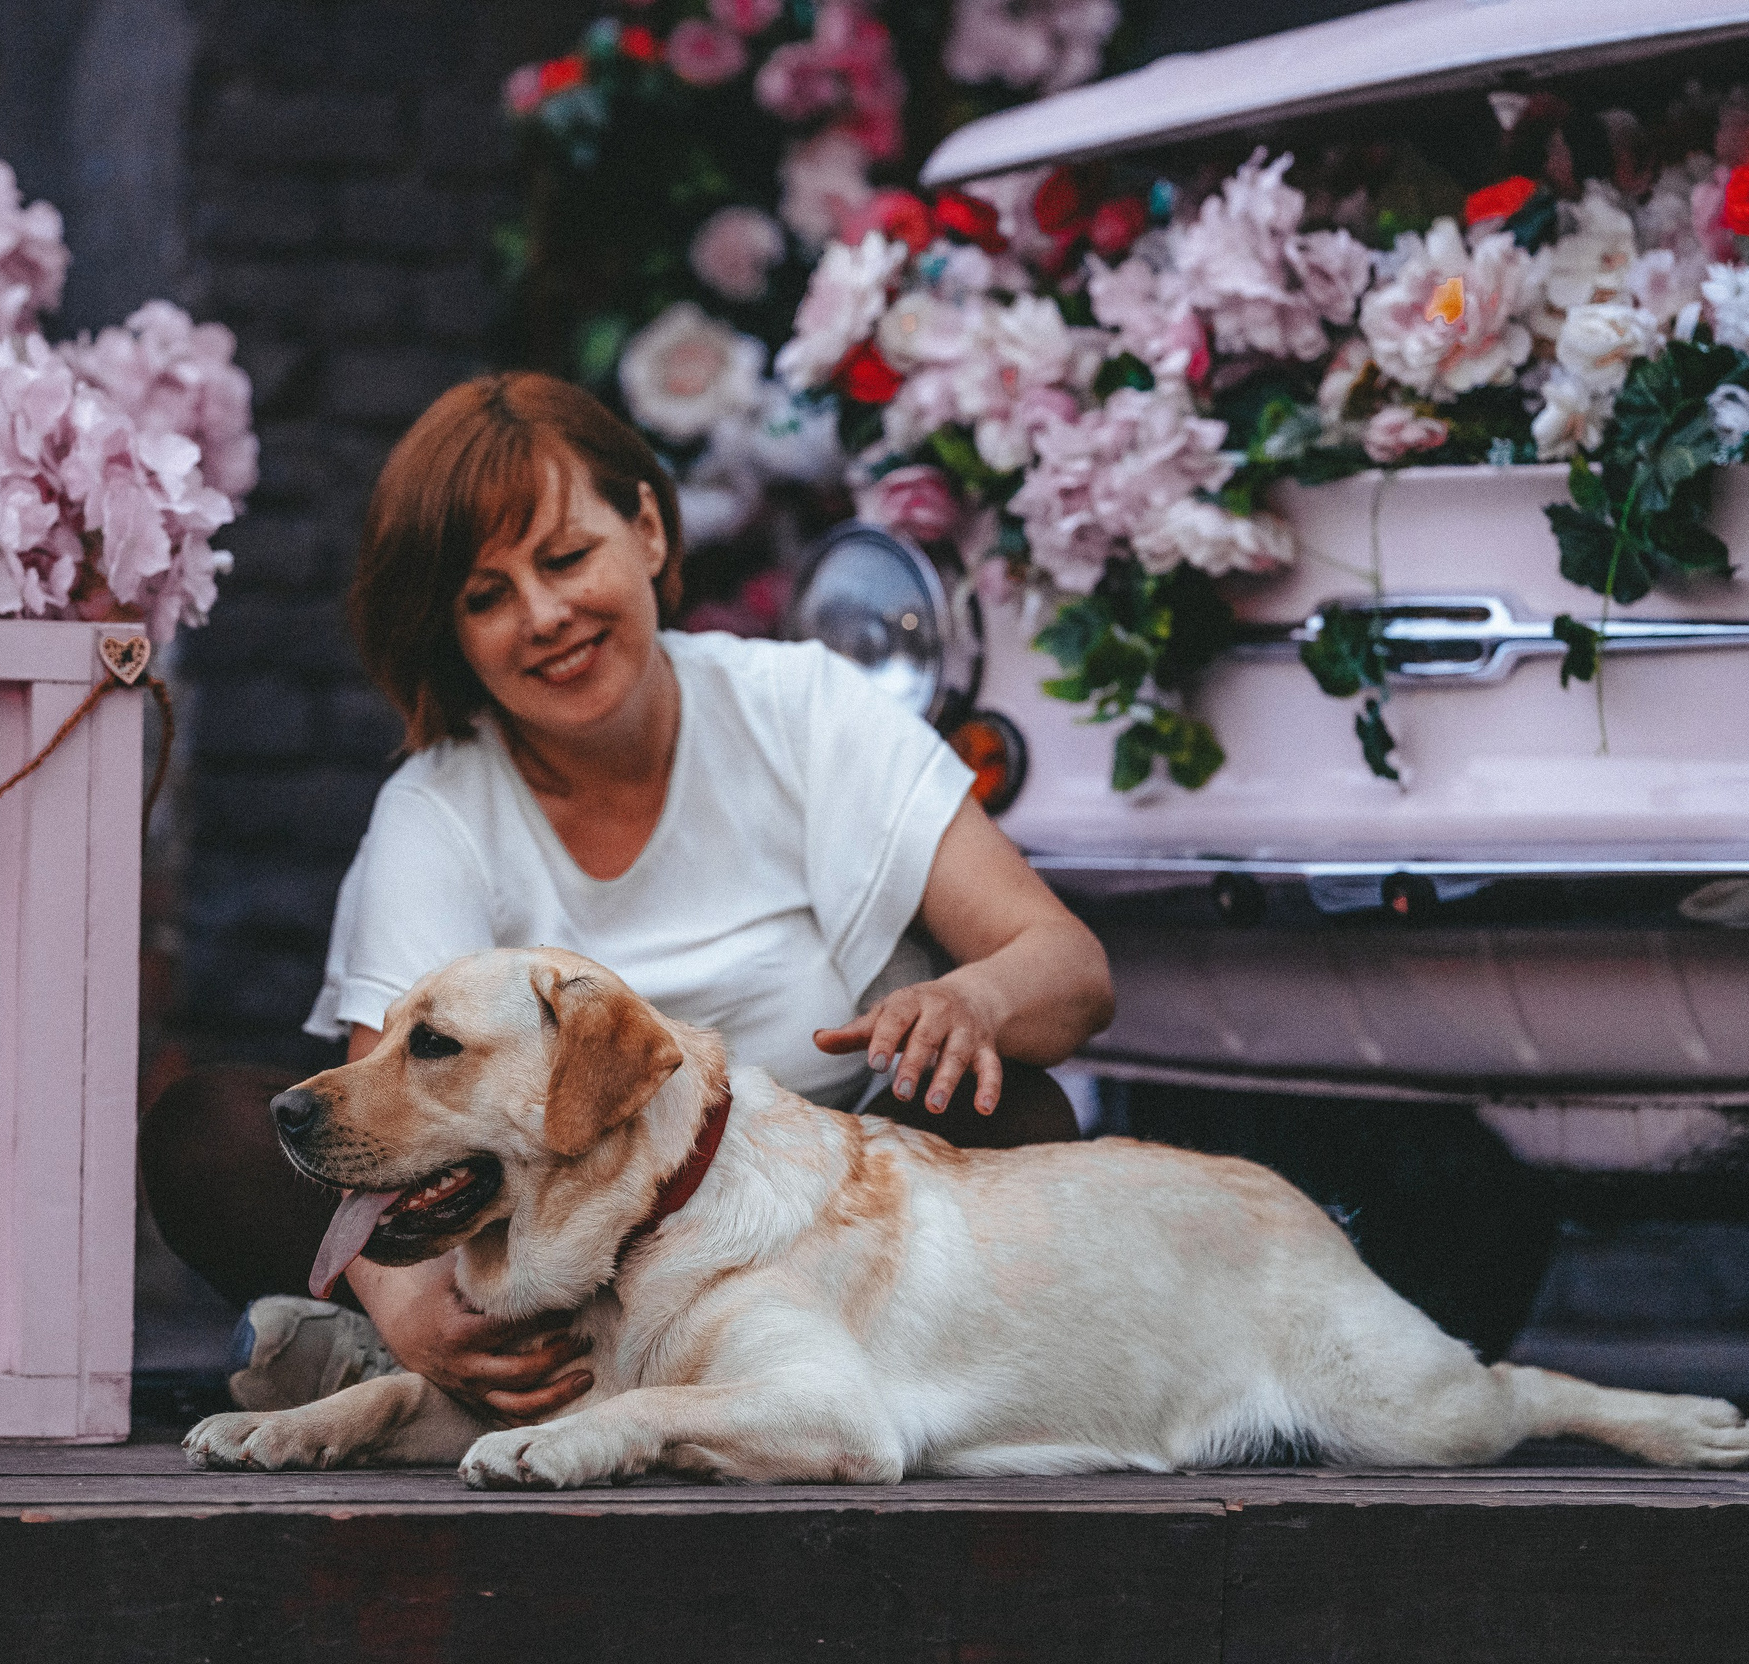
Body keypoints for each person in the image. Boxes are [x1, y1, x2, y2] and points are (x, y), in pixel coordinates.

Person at [141, 370, 1113, 1424]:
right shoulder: (438, 807)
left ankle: (399, 1380)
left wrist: (973, 998)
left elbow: (1066, 968)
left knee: (1007, 1105)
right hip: (549, 1282)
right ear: (452, 636)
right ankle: (444, 1360)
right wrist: (408, 1296)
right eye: (486, 596)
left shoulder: (806, 710)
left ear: (646, 527)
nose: (544, 614)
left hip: (817, 1257)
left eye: (565, 558)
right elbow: (385, 1115)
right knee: (210, 1132)